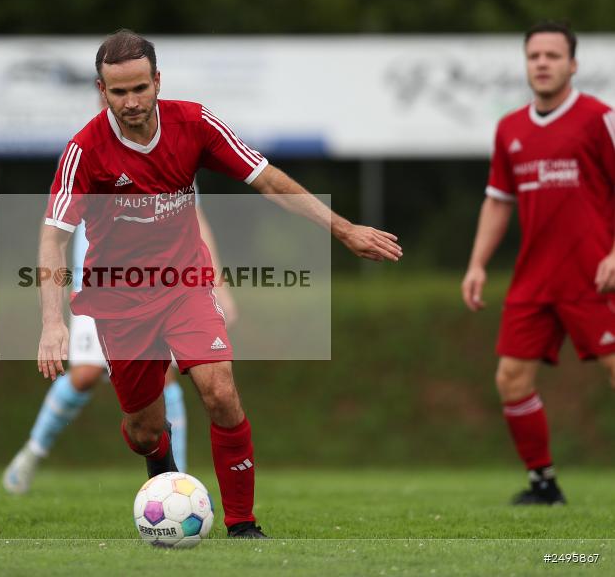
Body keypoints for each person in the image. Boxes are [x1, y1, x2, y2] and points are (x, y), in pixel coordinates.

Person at [37, 29, 401, 538]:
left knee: (221, 392)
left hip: (186, 282)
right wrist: (53, 323)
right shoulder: (85, 150)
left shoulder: (194, 122)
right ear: (102, 91)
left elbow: (267, 178)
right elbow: (54, 237)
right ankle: (159, 466)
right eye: (118, 92)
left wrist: (343, 229)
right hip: (120, 300)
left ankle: (243, 526)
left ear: (157, 81)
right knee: (144, 431)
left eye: (140, 88)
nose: (132, 101)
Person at [462, 21, 615, 505]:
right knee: (510, 378)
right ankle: (543, 483)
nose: (543, 63)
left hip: (596, 274)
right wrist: (477, 263)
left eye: (553, 55)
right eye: (535, 56)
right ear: (526, 64)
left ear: (573, 64)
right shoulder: (510, 128)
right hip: (534, 277)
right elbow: (498, 200)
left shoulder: (599, 119)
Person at [4, 199, 237, 494]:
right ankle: (33, 451)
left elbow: (196, 218)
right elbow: (55, 224)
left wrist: (218, 285)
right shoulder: (88, 154)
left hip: (163, 282)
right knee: (85, 375)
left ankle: (177, 480)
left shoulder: (180, 154)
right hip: (99, 281)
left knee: (163, 378)